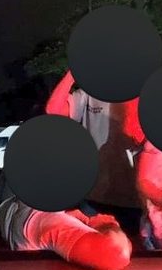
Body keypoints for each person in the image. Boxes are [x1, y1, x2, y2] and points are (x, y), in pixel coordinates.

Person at [45, 71, 145, 242]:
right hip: (94, 197)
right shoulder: (91, 92)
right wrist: (72, 73)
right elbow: (53, 110)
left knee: (131, 253)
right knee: (93, 251)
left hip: (134, 199)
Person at [0, 195, 132, 270]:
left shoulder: (14, 206)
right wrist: (101, 221)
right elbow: (117, 253)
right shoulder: (48, 221)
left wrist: (3, 209)